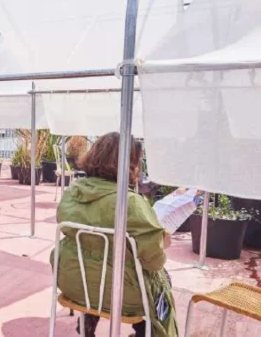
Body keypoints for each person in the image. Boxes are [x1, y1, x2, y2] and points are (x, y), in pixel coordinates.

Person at [54, 132, 177, 337]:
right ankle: (145, 332)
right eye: (137, 162)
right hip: (123, 295)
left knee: (95, 262)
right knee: (163, 282)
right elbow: (154, 262)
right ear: (129, 164)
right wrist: (162, 243)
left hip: (73, 282)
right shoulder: (130, 203)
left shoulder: (71, 193)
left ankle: (88, 321)